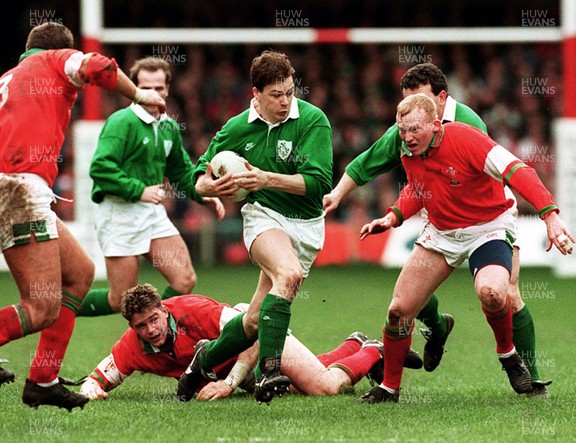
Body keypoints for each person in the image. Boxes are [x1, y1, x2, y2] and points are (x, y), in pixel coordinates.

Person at [324, 63, 552, 397]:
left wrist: (550, 213)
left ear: (438, 107)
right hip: (443, 226)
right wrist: (392, 216)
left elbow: (511, 170)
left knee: (500, 294)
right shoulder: (408, 138)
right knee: (399, 309)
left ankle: (522, 368)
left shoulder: (467, 129)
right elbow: (415, 186)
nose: (406, 131)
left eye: (417, 112)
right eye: (403, 122)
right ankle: (395, 381)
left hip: (487, 221)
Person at [0, 22, 165, 410]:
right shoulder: (55, 59)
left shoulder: (9, 77)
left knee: (78, 273)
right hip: (19, 188)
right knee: (41, 307)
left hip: (15, 186)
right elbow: (98, 66)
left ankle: (43, 379)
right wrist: (140, 94)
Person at [178, 50, 333, 404]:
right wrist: (206, 186)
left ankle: (202, 362)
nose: (285, 101)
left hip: (307, 226)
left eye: (290, 92)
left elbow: (319, 181)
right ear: (256, 94)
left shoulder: (312, 121)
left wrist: (265, 178)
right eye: (276, 95)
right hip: (264, 216)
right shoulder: (236, 128)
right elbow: (197, 173)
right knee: (289, 274)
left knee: (251, 321)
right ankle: (270, 370)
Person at [79, 284, 424, 400]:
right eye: (142, 325)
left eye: (154, 319)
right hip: (245, 370)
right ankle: (354, 343)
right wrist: (90, 389)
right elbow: (98, 377)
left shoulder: (194, 310)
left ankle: (372, 350)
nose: (151, 329)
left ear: (163, 309)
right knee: (296, 382)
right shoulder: (133, 346)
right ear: (132, 327)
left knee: (324, 388)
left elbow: (254, 329)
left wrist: (229, 383)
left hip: (262, 338)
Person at [78, 57, 224, 316]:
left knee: (184, 280)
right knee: (120, 300)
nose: (153, 93)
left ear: (167, 89)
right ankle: (59, 306)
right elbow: (100, 168)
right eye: (146, 87)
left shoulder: (168, 126)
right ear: (133, 89)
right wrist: (139, 190)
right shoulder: (121, 122)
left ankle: (154, 332)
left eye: (159, 88)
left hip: (151, 214)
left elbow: (180, 171)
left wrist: (204, 192)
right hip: (119, 214)